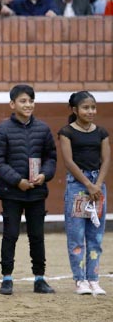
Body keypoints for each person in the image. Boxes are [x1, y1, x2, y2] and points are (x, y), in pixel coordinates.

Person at [0, 84, 57, 296]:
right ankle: (7, 278)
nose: (28, 105)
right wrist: (17, 181)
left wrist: (44, 175)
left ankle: (40, 278)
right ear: (12, 104)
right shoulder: (2, 129)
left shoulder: (43, 129)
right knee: (10, 234)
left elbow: (51, 158)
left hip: (36, 192)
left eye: (30, 101)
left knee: (37, 236)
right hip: (12, 192)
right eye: (23, 101)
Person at [59, 91, 110, 296]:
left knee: (96, 236)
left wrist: (97, 185)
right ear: (75, 110)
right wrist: (88, 185)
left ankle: (94, 279)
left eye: (93, 107)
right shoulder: (66, 132)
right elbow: (69, 162)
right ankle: (80, 280)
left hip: (98, 186)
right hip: (77, 186)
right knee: (77, 235)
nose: (90, 111)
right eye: (86, 107)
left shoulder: (101, 132)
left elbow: (106, 160)